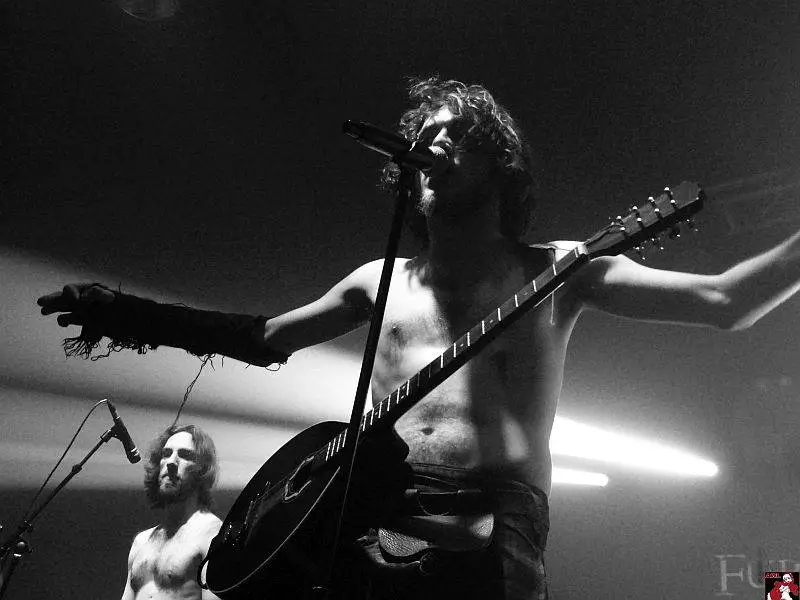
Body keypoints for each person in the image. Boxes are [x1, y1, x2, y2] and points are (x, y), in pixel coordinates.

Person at [38, 77, 800, 599]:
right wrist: (124, 314)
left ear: (498, 163)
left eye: (452, 136)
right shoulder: (377, 280)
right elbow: (264, 337)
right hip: (369, 511)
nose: (430, 149)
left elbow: (726, 300)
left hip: (489, 518)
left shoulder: (562, 268)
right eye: (423, 138)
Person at [121, 424, 222, 600]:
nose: (171, 462)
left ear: (202, 469)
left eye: (185, 455)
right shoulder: (141, 542)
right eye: (166, 454)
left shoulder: (212, 535)